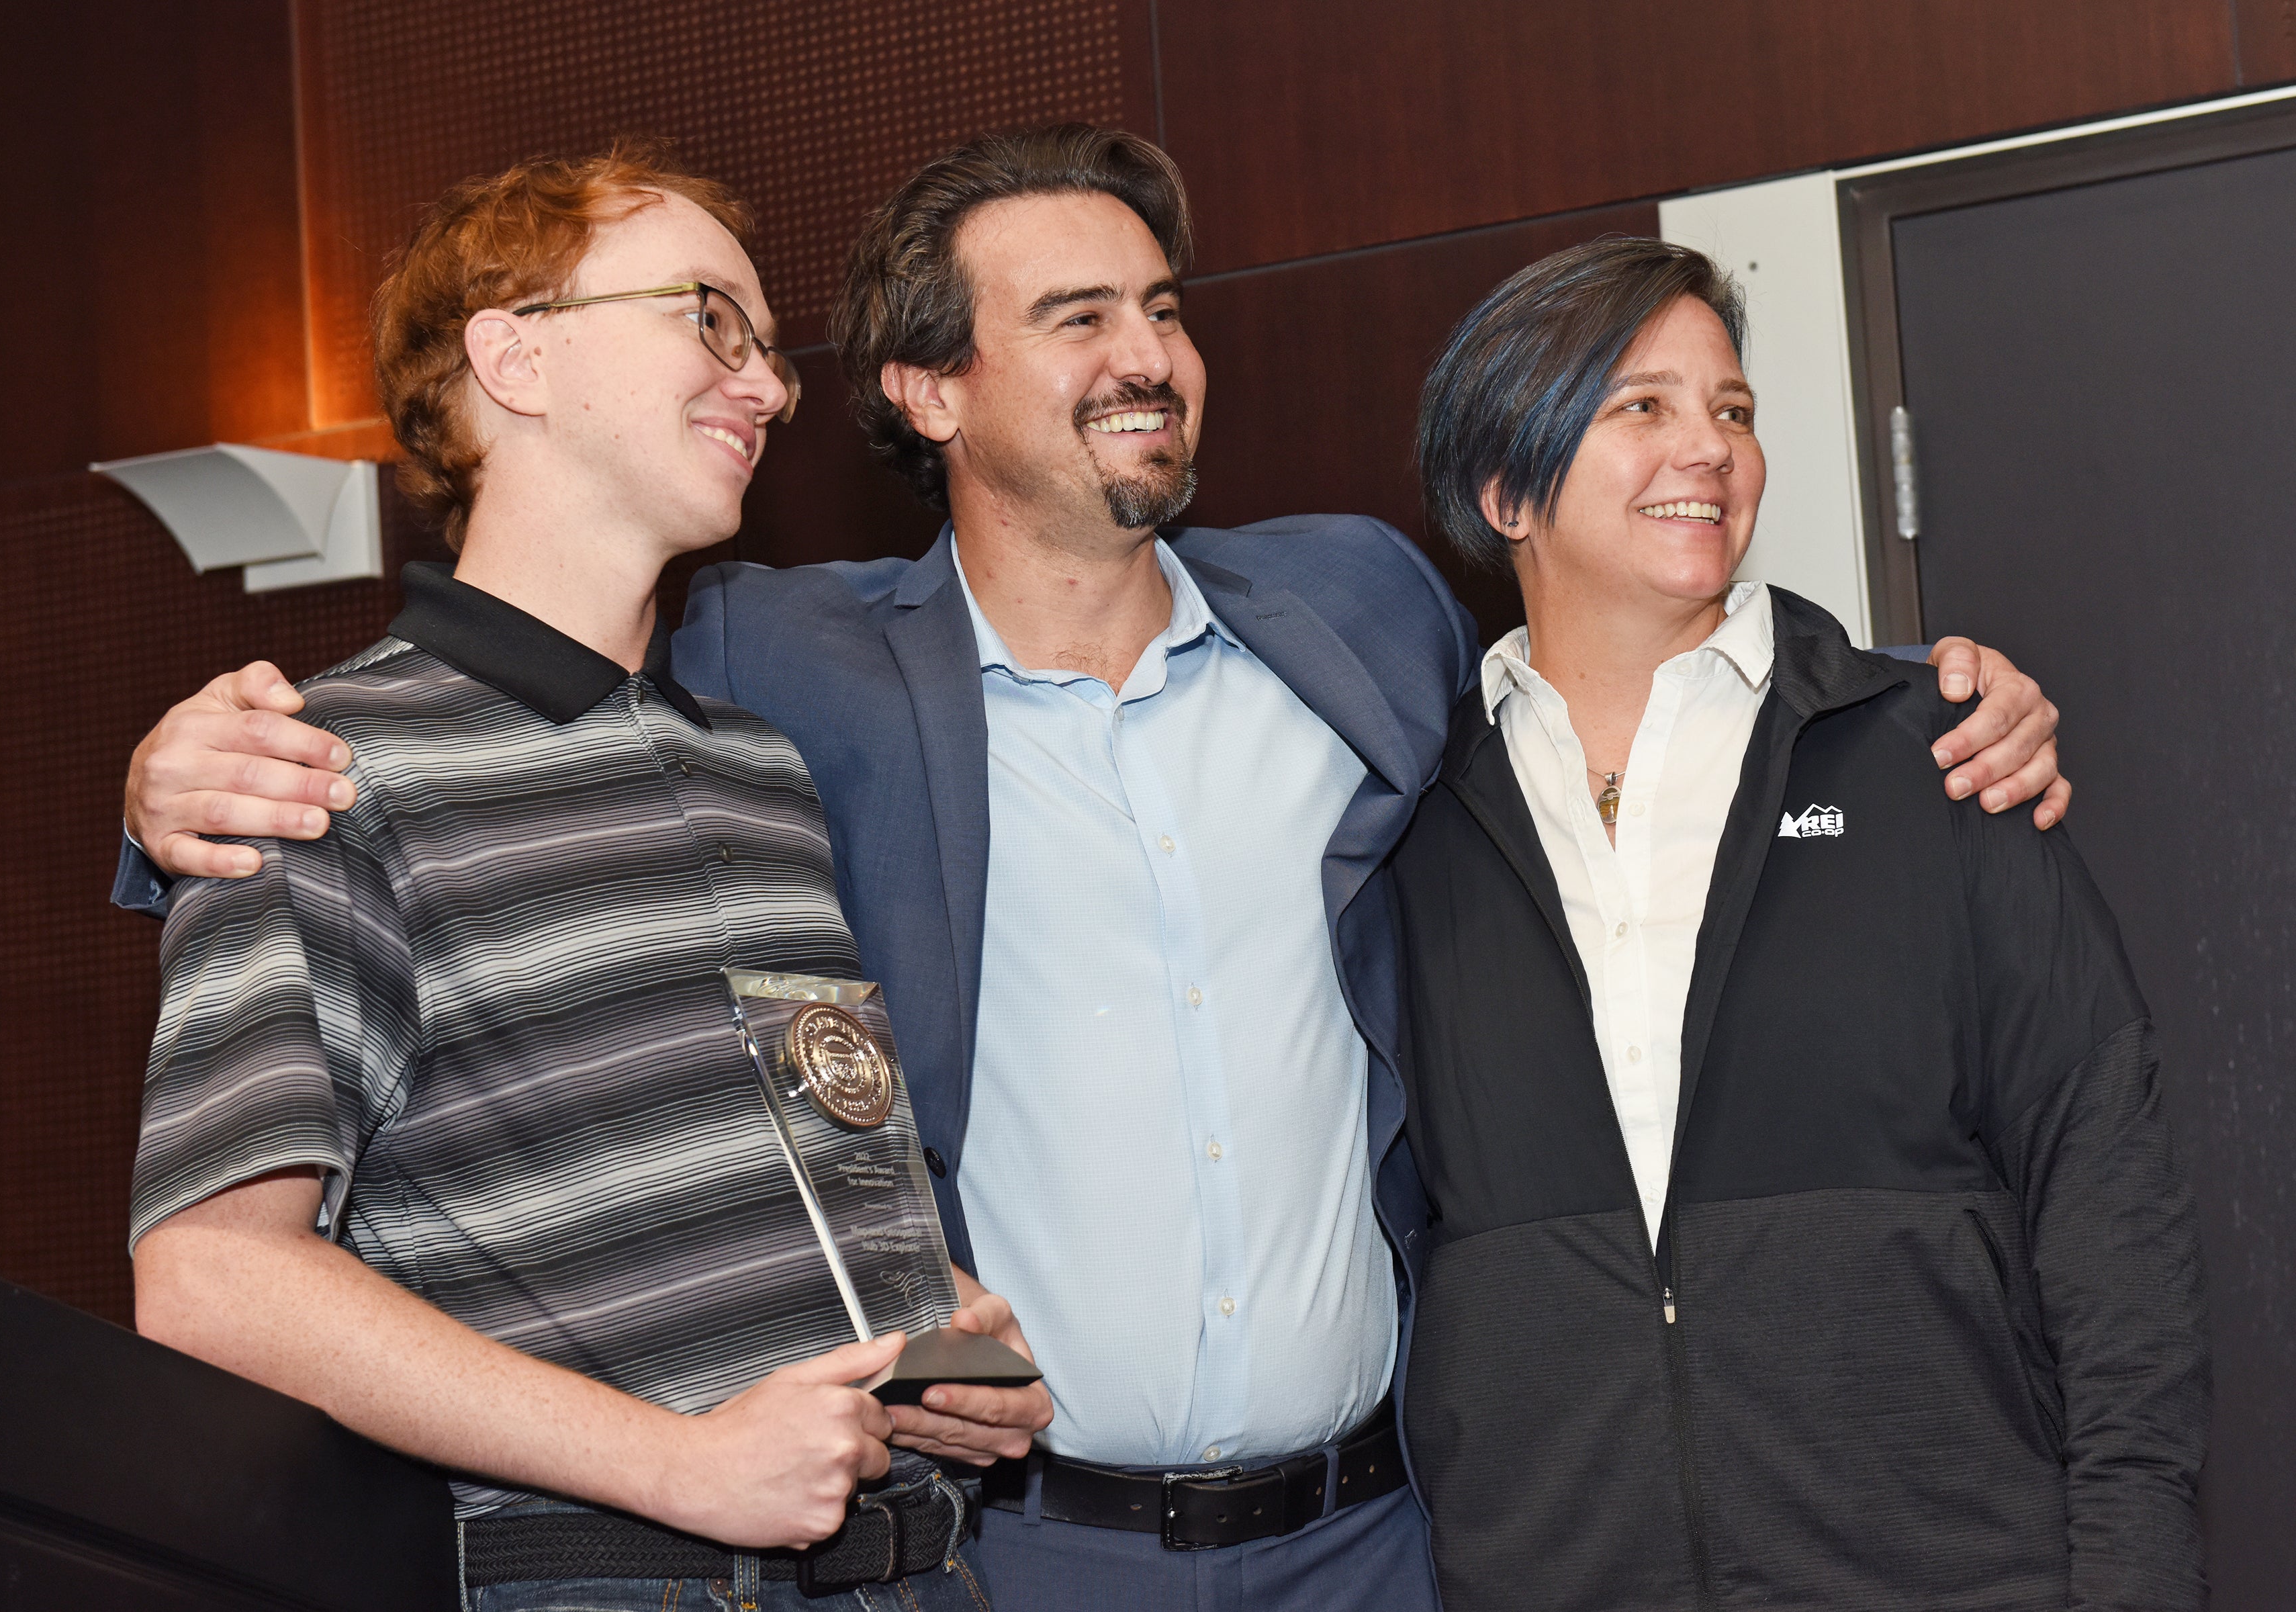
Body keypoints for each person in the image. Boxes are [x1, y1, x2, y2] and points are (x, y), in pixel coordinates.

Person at [114, 128, 2069, 1609]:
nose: (1150, 354)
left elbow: (1606, 692)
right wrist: (165, 799)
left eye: (1164, 310)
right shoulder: (779, 677)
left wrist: (1903, 705)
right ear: (927, 389)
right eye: (1077, 319)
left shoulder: (1356, 609)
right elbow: (442, 780)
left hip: (1376, 1533)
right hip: (1023, 1557)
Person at [126, 141, 1050, 1611]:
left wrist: (942, 1347)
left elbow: (827, 1189)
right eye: (710, 320)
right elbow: (213, 1282)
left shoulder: (756, 768)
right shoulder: (314, 767)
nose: (764, 384)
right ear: (516, 359)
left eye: (767, 353)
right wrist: (673, 1462)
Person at [1389, 238, 2207, 1611]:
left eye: (1734, 410)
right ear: (1503, 486)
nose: (1708, 447)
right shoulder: (1408, 817)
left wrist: (2136, 1575)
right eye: (1640, 405)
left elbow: (2108, 1192)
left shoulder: (1936, 754)